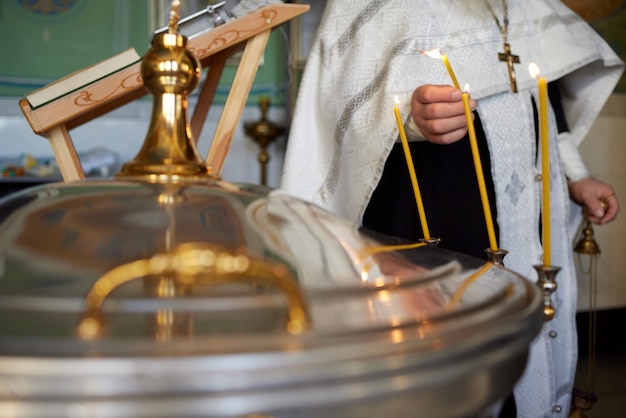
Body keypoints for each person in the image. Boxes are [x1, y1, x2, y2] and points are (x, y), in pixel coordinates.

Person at [280, 0, 623, 417]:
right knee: (455, 362)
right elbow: (341, 102)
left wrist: (576, 173)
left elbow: (542, 90)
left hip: (531, 205)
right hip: (436, 205)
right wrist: (410, 117)